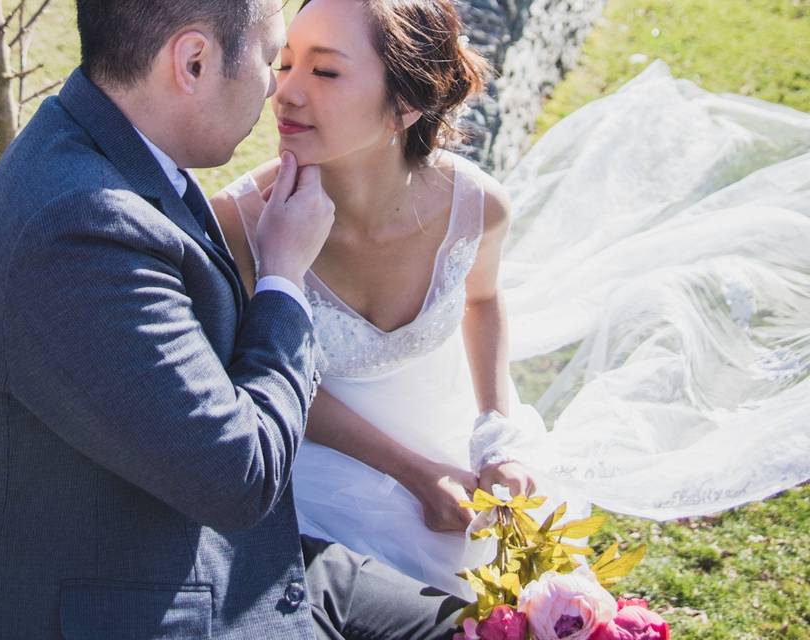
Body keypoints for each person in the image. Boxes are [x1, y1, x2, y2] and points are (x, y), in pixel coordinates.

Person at [214, 0, 810, 598]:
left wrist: (496, 433)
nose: (284, 94)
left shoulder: (474, 205)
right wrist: (416, 474)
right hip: (316, 470)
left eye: (324, 72)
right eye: (284, 63)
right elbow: (269, 375)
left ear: (407, 101)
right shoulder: (239, 223)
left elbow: (482, 302)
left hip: (444, 429)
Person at [0, 1, 468, 638]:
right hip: (140, 606)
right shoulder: (81, 230)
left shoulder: (115, 147)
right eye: (272, 59)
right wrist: (284, 276)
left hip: (237, 563)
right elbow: (239, 478)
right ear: (193, 62)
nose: (276, 88)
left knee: (483, 624)